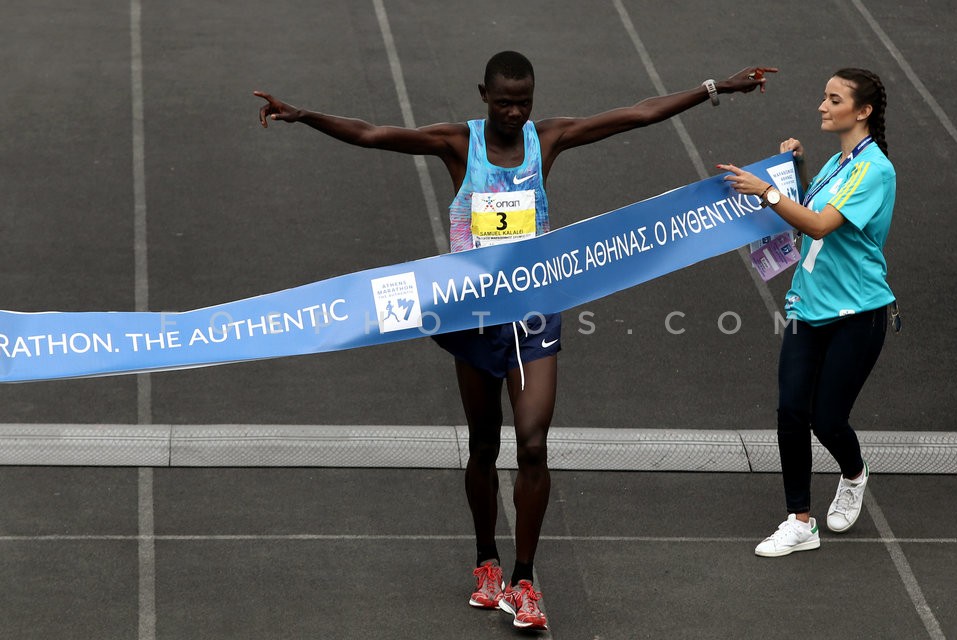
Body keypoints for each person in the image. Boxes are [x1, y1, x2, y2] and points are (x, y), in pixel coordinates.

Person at [256, 51, 774, 628]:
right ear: (483, 94)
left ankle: (525, 580)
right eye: (503, 101)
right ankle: (486, 561)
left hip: (533, 314)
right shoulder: (459, 144)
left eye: (523, 102)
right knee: (482, 444)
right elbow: (375, 134)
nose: (513, 112)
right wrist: (301, 115)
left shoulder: (546, 139)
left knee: (532, 444)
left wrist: (713, 87)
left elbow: (638, 113)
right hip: (472, 317)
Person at [718, 68, 896, 558]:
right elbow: (810, 206)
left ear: (861, 112)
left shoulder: (875, 170)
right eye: (823, 96)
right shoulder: (840, 163)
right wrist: (794, 173)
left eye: (832, 99)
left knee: (827, 418)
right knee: (791, 411)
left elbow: (819, 225)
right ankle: (800, 520)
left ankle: (855, 472)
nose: (821, 105)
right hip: (808, 306)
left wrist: (765, 191)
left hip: (858, 312)